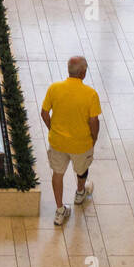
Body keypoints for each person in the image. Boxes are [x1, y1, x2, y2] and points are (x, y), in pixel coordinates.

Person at [40, 55, 101, 226]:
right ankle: (80, 193)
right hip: (81, 144)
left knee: (57, 174)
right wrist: (93, 138)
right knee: (82, 170)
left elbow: (44, 113)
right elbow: (94, 121)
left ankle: (60, 210)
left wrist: (53, 129)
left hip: (57, 142)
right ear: (83, 73)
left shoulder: (54, 88)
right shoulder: (90, 94)